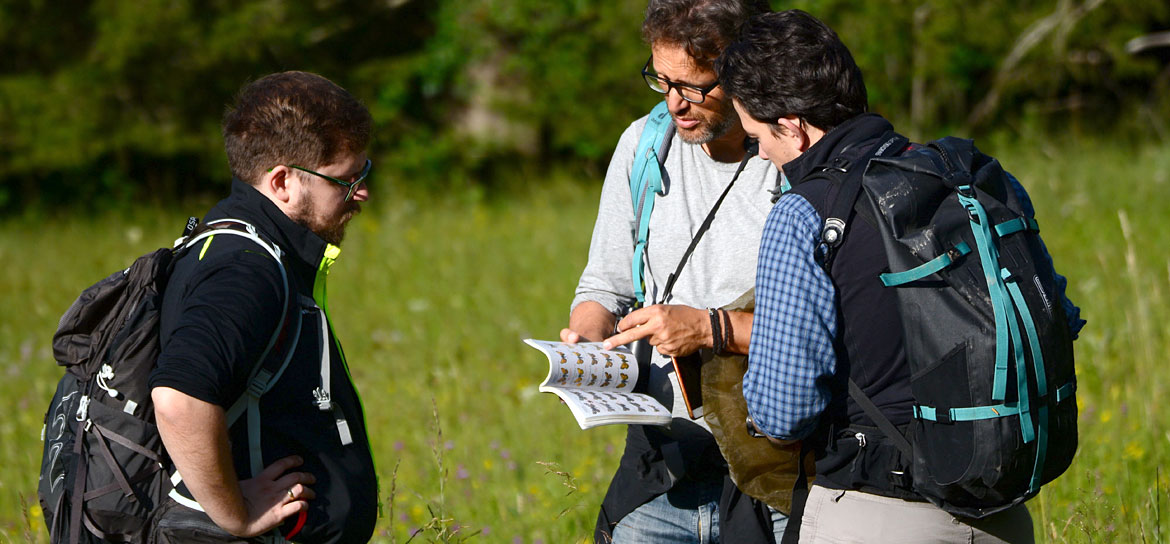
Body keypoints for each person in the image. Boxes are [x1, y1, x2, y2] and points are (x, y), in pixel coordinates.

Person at [716, 10, 1086, 543]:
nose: (761, 154)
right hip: (1004, 510)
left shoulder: (805, 214)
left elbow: (784, 410)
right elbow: (1057, 321)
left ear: (792, 128)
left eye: (756, 137)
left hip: (875, 510)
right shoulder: (970, 177)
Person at [560, 1, 787, 542]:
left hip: (772, 466)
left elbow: (832, 328)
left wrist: (707, 328)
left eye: (695, 86)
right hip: (659, 467)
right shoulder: (644, 144)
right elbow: (604, 285)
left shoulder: (797, 157)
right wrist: (586, 343)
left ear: (748, 69)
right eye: (661, 81)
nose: (674, 104)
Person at [149, 71, 378, 543]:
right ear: (281, 182)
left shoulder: (243, 244)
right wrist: (236, 514)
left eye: (363, 172)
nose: (361, 192)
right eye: (344, 180)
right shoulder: (246, 270)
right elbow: (179, 399)